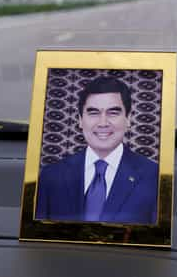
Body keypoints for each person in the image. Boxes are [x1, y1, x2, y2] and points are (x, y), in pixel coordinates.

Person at [36, 76, 158, 224]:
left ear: (128, 119)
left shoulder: (154, 178)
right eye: (93, 113)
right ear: (80, 120)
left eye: (113, 113)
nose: (103, 123)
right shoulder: (51, 176)